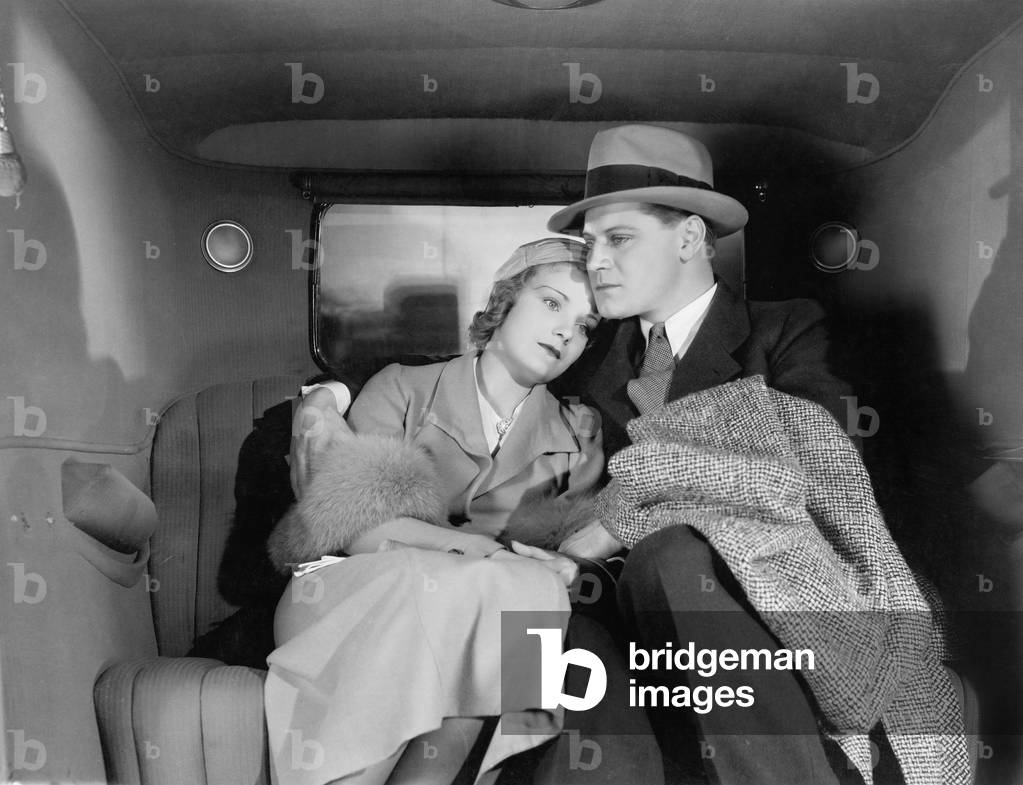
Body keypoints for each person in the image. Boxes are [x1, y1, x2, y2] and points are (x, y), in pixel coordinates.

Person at [264, 238, 611, 785]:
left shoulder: (577, 441)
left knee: (519, 602)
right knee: (477, 590)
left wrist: (525, 573)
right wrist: (482, 552)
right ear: (504, 303)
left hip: (480, 621)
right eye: (551, 303)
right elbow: (358, 531)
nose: (568, 331)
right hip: (353, 596)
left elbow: (563, 566)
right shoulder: (401, 387)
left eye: (587, 325)